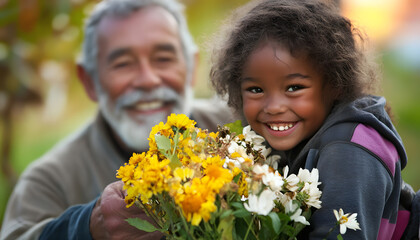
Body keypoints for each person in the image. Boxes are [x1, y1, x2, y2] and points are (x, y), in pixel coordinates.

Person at [0, 0, 236, 239]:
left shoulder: (241, 126)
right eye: (123, 64)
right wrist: (87, 226)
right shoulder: (50, 181)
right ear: (90, 81)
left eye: (163, 58)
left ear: (191, 67)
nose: (148, 80)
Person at [210, 0, 415, 239]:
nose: (274, 107)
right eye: (256, 90)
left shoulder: (348, 151)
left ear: (336, 84)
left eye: (294, 87)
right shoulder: (275, 140)